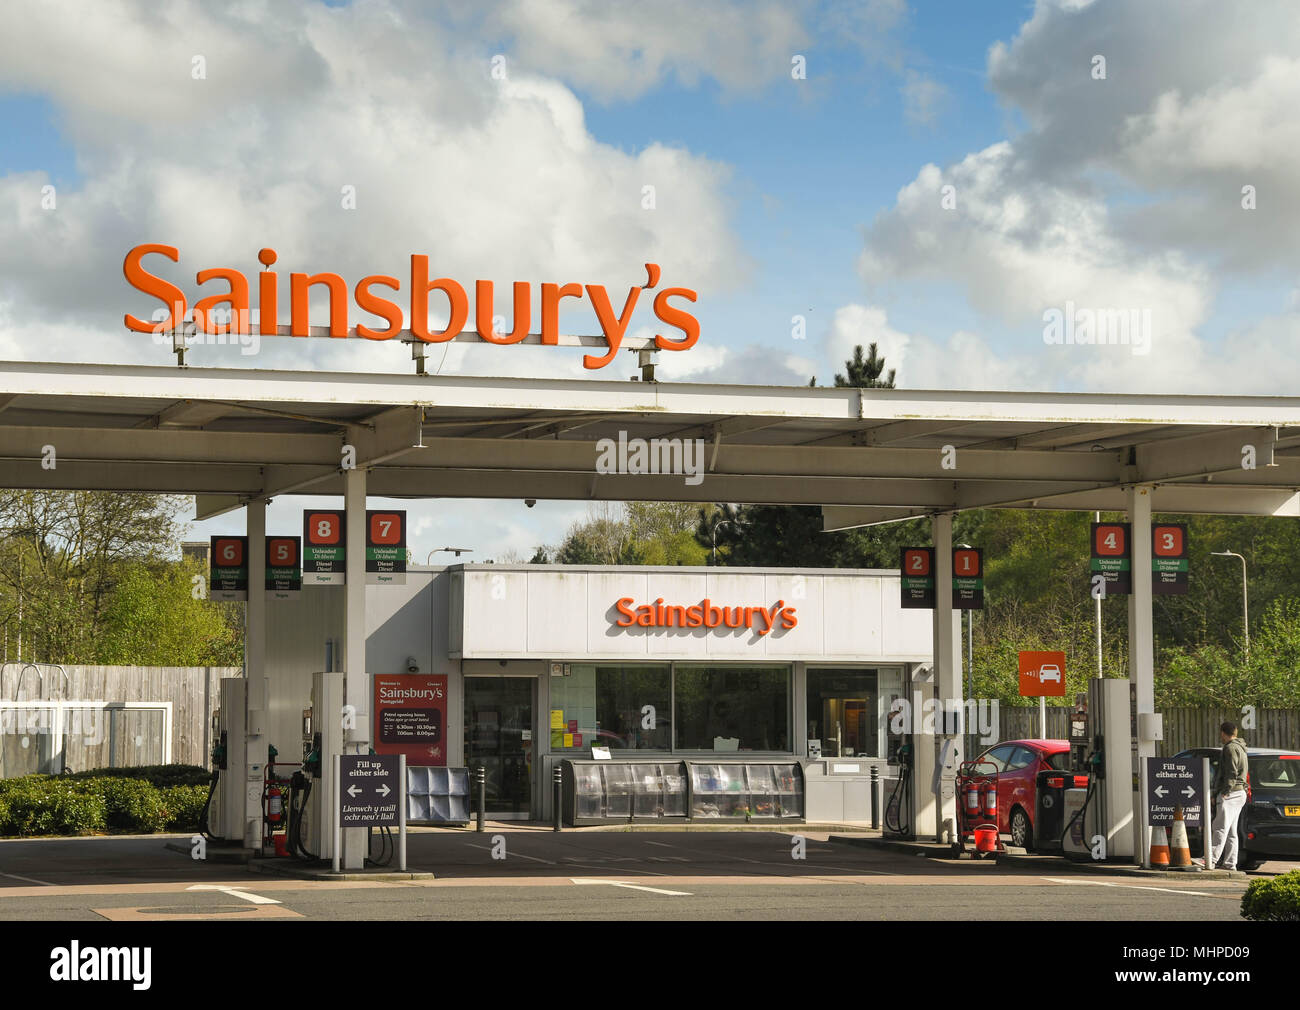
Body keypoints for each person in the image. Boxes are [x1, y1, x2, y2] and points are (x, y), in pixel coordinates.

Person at [1209, 720, 1249, 870]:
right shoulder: (1241, 747)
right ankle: (1230, 863)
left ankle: (1211, 858)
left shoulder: (1230, 748)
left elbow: (1231, 772)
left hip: (1231, 792)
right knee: (1232, 831)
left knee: (1219, 827)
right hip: (1240, 792)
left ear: (1223, 733)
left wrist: (1225, 791)